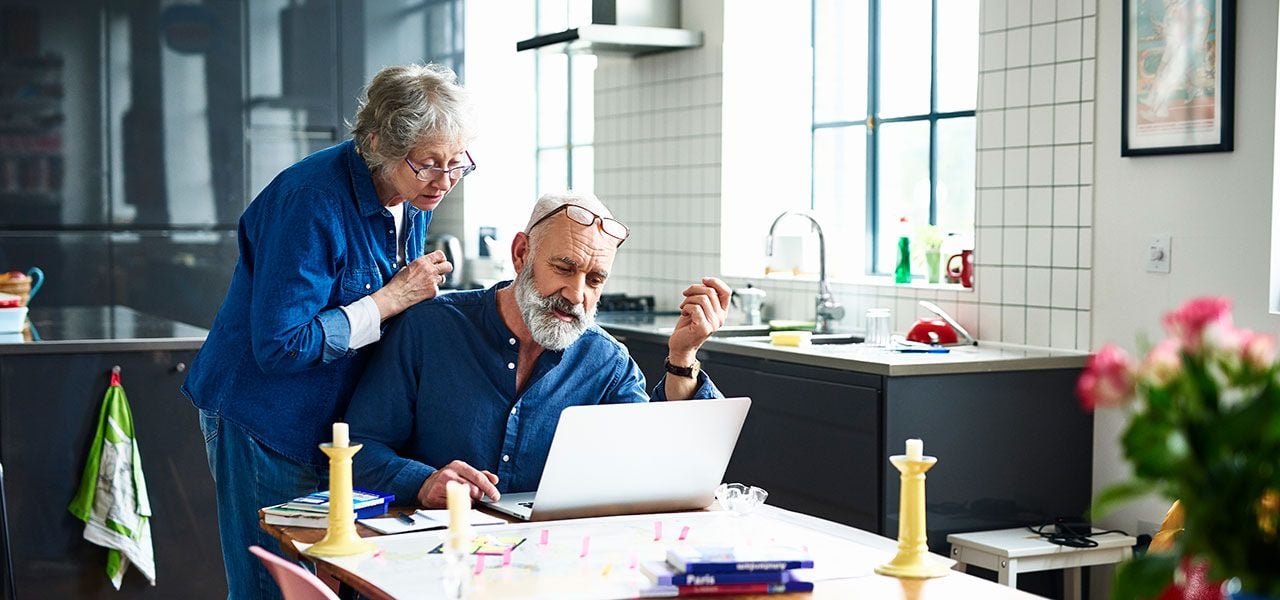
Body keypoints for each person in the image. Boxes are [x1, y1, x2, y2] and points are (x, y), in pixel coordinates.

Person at [181, 63, 475, 599]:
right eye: (429, 165)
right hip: (265, 419)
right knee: (271, 588)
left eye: (457, 164)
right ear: (377, 143)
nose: (444, 181)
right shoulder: (311, 202)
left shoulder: (413, 197)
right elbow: (281, 345)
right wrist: (390, 299)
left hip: (334, 428)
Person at [344, 191, 731, 507]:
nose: (577, 295)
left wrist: (682, 358)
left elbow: (657, 467)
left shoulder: (607, 363)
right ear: (520, 254)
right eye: (564, 268)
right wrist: (424, 481)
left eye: (595, 279)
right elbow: (357, 450)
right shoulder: (428, 329)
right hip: (434, 556)